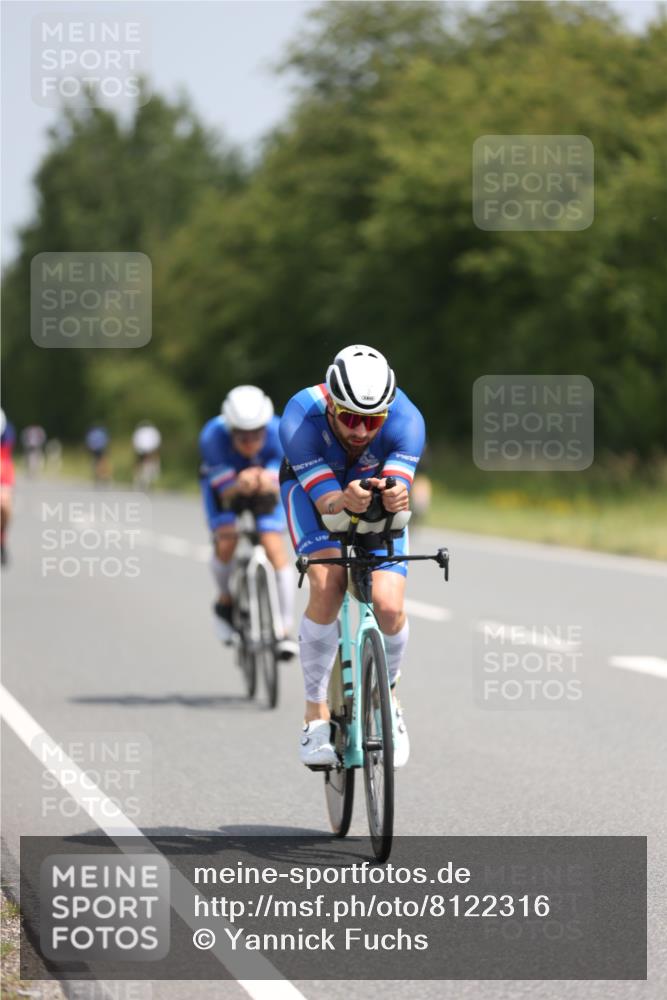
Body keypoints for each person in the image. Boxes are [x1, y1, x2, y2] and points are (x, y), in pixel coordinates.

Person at [279, 345, 425, 769]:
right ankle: (314, 716)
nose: (361, 431)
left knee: (389, 605)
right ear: (331, 404)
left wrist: (396, 493)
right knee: (328, 584)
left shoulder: (407, 419)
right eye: (350, 418)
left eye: (373, 421)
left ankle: (389, 699)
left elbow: (398, 486)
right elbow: (328, 505)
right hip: (313, 494)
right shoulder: (299, 417)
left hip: (370, 495)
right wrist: (343, 500)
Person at [199, 385, 297, 659]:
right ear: (230, 430)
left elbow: (284, 469)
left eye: (257, 434)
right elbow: (224, 489)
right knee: (227, 539)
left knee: (273, 545)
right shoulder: (211, 436)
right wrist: (237, 483)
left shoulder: (281, 431)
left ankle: (283, 629)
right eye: (242, 436)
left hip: (265, 485)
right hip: (225, 486)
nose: (251, 441)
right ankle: (225, 601)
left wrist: (267, 478)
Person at [1, 408, 16, 566]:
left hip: (2, 463)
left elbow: (4, 460)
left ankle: (2, 538)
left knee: (4, 504)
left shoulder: (7, 430)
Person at [132, 421, 162, 490]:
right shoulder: (152, 431)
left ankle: (142, 479)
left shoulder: (142, 431)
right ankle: (142, 479)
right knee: (143, 464)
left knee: (142, 464)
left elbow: (135, 440)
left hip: (143, 449)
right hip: (148, 449)